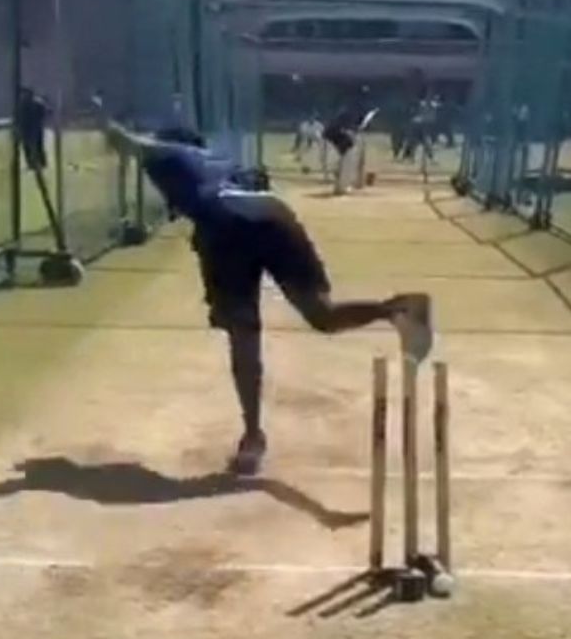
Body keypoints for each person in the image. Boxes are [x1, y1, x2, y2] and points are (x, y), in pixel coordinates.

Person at [100, 115, 433, 477]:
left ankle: (253, 436)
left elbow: (132, 142)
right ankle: (399, 308)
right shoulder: (220, 160)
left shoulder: (172, 154)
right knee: (322, 314)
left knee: (244, 336)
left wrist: (110, 127)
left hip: (226, 227)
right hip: (272, 216)